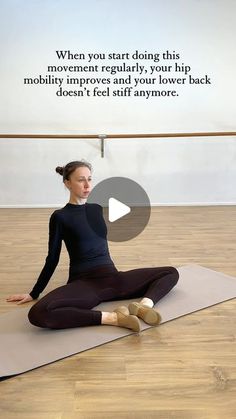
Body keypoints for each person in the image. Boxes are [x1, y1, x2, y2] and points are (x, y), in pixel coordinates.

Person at [7, 160, 179, 332]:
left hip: (114, 278)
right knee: (38, 313)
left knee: (171, 272)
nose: (87, 185)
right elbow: (52, 258)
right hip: (84, 283)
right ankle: (114, 318)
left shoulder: (96, 209)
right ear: (67, 183)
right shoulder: (60, 217)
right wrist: (34, 293)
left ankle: (143, 307)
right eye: (81, 180)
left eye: (90, 179)